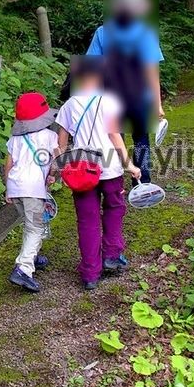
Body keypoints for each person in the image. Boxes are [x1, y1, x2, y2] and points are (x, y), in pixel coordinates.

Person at [56, 59, 141, 290]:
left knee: (87, 221)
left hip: (82, 171)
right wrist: (130, 165)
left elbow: (61, 144)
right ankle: (112, 256)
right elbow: (115, 138)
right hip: (111, 169)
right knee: (114, 209)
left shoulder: (69, 106)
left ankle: (90, 273)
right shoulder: (109, 102)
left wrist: (61, 170)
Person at [85, 0, 164, 185]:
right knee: (141, 140)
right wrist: (157, 103)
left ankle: (117, 181)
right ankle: (144, 182)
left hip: (112, 98)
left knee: (114, 139)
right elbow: (152, 72)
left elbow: (92, 69)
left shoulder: (103, 33)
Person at [3, 92, 58, 293]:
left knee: (30, 224)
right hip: (33, 189)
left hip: (16, 187)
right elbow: (56, 161)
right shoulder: (50, 136)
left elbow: (9, 163)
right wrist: (52, 175)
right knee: (35, 227)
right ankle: (23, 269)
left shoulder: (15, 139)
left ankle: (33, 257)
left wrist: (7, 187)